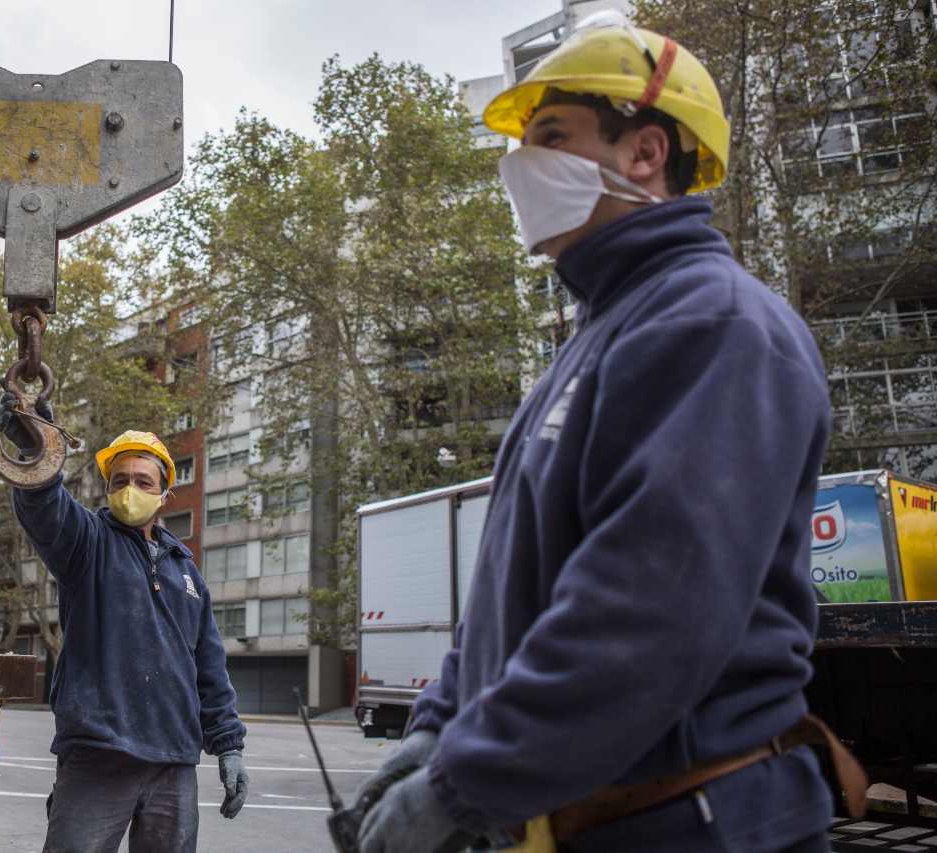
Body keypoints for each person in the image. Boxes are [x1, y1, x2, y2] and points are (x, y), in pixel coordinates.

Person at [356, 15, 855, 853]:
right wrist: (435, 728)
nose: (519, 166)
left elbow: (648, 609)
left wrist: (463, 781)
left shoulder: (716, 324)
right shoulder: (595, 340)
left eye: (551, 135)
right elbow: (506, 598)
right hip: (609, 821)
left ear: (645, 154)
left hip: (699, 825)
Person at [0, 407, 249, 853]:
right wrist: (36, 449)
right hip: (98, 756)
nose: (130, 489)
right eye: (120, 480)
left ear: (165, 492)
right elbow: (44, 508)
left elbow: (209, 668)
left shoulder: (187, 573)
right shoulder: (87, 541)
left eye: (143, 481)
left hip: (173, 762)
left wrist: (228, 745)